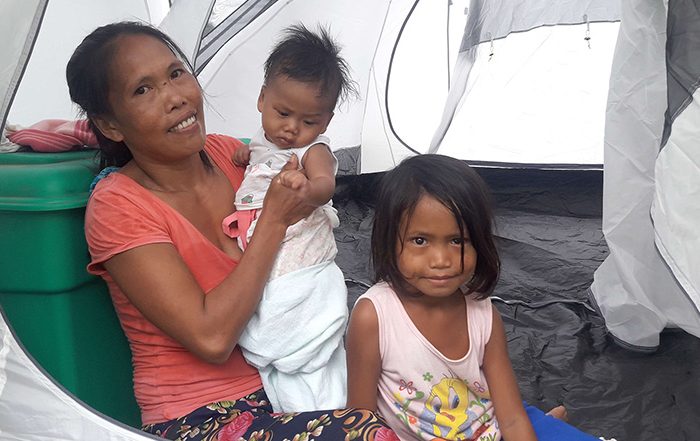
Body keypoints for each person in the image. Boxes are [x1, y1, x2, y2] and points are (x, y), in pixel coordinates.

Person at [67, 21, 396, 441]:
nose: (175, 97)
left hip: (283, 384)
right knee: (365, 434)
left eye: (176, 73)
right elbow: (212, 338)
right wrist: (273, 222)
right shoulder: (118, 206)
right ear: (111, 125)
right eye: (143, 90)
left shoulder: (230, 153)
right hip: (199, 416)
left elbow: (308, 160)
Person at [345, 154, 601, 441]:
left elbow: (512, 418)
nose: (441, 260)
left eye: (457, 240)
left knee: (538, 426)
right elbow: (359, 422)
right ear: (388, 240)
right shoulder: (374, 316)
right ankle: (549, 423)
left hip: (491, 427)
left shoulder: (482, 313)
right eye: (420, 240)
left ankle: (547, 424)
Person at [223, 24, 357, 412]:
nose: (292, 129)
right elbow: (260, 155)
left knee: (303, 341)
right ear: (262, 99)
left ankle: (320, 399)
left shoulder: (314, 151)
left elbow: (326, 185)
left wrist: (306, 190)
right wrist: (245, 153)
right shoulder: (263, 142)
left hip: (301, 261)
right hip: (267, 251)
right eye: (283, 113)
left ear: (326, 123)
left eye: (309, 121)